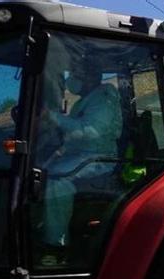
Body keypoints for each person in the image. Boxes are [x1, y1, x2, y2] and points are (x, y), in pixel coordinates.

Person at [37, 64, 123, 265]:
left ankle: (56, 246)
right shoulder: (85, 101)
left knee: (58, 180)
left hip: (100, 159)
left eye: (76, 73)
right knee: (38, 171)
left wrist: (53, 116)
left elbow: (90, 131)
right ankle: (44, 227)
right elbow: (74, 137)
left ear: (90, 76)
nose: (71, 78)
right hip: (81, 155)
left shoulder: (103, 97)